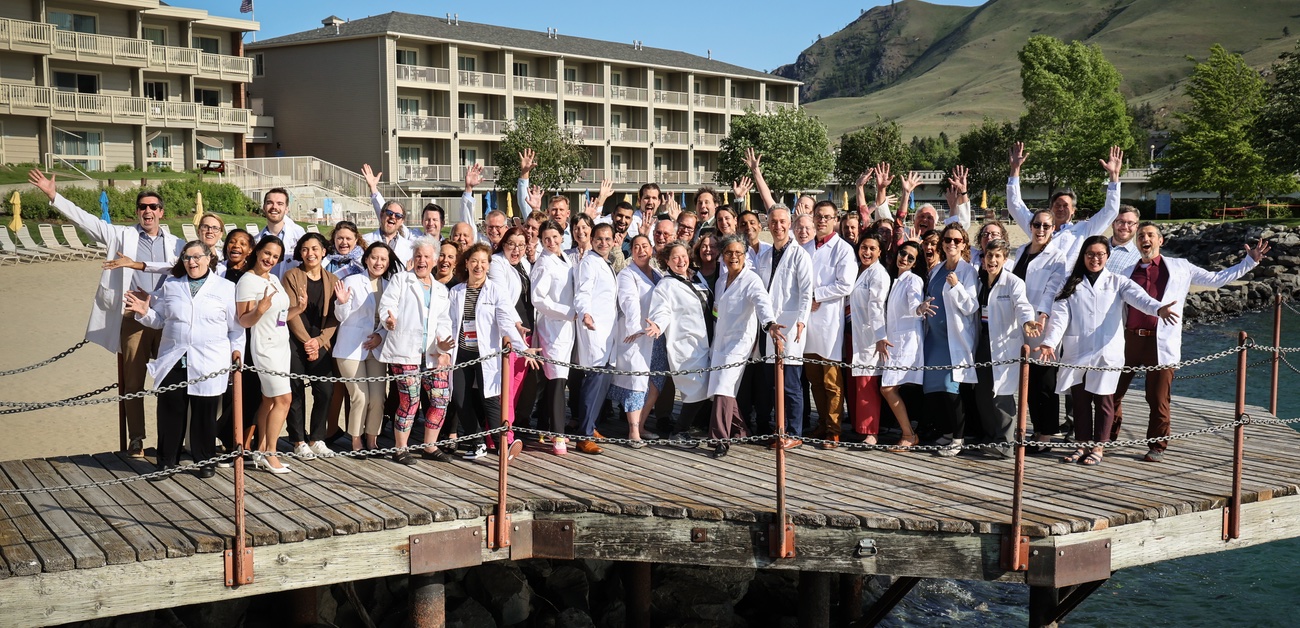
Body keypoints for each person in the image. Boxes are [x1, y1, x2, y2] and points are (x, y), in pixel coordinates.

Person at [28, 168, 184, 458]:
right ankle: (137, 438)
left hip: (167, 319)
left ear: (161, 212)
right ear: (137, 211)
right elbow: (86, 221)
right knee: (133, 382)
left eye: (152, 207)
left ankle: (170, 440)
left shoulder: (177, 244)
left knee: (171, 382)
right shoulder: (121, 235)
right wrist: (53, 196)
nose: (147, 211)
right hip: (132, 318)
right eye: (142, 207)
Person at [1110, 225, 1270, 461]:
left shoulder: (1180, 267)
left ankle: (1157, 446)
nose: (1145, 239)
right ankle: (1107, 437)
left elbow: (1216, 280)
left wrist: (1249, 262)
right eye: (1141, 236)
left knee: (1158, 398)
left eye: (1150, 235)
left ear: (1160, 241)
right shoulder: (1125, 270)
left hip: (1160, 341)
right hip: (1128, 339)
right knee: (1111, 392)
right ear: (1136, 243)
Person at [1008, 144, 1126, 448]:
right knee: (1040, 374)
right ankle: (1047, 428)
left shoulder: (1083, 231)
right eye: (1056, 205)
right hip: (1037, 313)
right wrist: (1015, 172)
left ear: (1073, 209)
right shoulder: (1038, 230)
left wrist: (1114, 179)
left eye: (1065, 205)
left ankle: (1075, 432)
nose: (1060, 209)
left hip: (1069, 305)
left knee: (1072, 369)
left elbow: (1111, 211)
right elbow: (1015, 205)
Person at [1037, 236, 1177, 467]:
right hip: (1077, 351)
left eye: (1100, 254)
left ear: (1107, 257)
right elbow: (1060, 317)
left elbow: (1140, 298)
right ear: (1083, 256)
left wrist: (1158, 308)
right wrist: (1050, 342)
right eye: (1090, 254)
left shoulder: (1118, 282)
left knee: (1104, 401)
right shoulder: (1070, 283)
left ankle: (1098, 447)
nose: (1095, 259)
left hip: (1106, 352)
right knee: (1080, 401)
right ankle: (1081, 444)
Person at [124, 241, 242, 478]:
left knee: (204, 412)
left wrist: (236, 352)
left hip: (209, 359)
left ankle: (205, 459)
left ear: (209, 258)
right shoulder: (171, 285)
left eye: (197, 257)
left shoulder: (226, 287)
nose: (192, 262)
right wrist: (144, 312)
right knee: (170, 410)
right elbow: (159, 320)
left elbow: (236, 328)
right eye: (187, 258)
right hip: (174, 356)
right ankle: (167, 461)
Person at [448, 243, 533, 460]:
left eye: (483, 262)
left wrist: (523, 349)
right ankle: (477, 442)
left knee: (490, 398)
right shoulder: (456, 292)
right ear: (466, 263)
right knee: (460, 397)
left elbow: (506, 320)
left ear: (488, 265)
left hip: (485, 353)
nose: (479, 266)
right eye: (474, 261)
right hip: (462, 353)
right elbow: (447, 321)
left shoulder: (495, 290)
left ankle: (503, 445)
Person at [376, 237, 455, 464]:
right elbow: (387, 305)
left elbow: (444, 320)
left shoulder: (440, 289)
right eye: (418, 256)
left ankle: (429, 446)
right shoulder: (401, 280)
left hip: (433, 354)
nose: (422, 260)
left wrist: (444, 346)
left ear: (435, 260)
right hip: (405, 351)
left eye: (426, 256)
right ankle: (400, 448)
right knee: (410, 401)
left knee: (441, 399)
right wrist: (389, 320)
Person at [707, 236, 783, 458]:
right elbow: (716, 313)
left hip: (740, 343)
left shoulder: (752, 280)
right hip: (720, 343)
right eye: (729, 253)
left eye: (738, 253)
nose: (734, 257)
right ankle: (740, 430)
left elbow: (762, 302)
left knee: (723, 386)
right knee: (720, 390)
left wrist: (769, 323)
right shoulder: (721, 282)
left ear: (745, 255)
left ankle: (720, 440)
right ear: (723, 256)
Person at [963, 238, 1040, 458]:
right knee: (982, 392)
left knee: (1002, 394)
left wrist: (1027, 321)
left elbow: (1023, 305)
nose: (993, 260)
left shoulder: (1014, 282)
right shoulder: (980, 280)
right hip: (984, 342)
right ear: (984, 258)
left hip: (1004, 345)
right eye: (989, 256)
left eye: (998, 256)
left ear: (1005, 259)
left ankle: (1006, 443)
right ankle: (991, 437)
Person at [236, 236, 306, 473]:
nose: (270, 259)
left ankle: (262, 448)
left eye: (275, 256)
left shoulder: (274, 278)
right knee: (283, 400)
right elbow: (244, 320)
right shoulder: (247, 281)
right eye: (267, 253)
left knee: (269, 399)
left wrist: (298, 309)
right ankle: (270, 453)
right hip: (264, 348)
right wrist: (259, 310)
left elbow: (278, 316)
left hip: (280, 344)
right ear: (256, 251)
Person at [751, 206, 813, 447]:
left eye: (783, 222)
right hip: (770, 326)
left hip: (791, 326)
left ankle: (794, 433)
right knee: (772, 383)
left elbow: (807, 293)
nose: (778, 226)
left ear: (790, 224)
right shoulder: (765, 256)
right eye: (774, 222)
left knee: (790, 384)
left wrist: (801, 321)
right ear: (768, 225)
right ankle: (780, 430)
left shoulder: (800, 255)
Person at [333, 242, 398, 456]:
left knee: (379, 397)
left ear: (388, 263)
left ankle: (372, 439)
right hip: (351, 348)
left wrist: (380, 336)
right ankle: (356, 439)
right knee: (360, 396)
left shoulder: (391, 285)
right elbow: (341, 317)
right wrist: (341, 303)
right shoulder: (352, 281)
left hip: (376, 348)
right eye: (374, 257)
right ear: (366, 258)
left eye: (383, 259)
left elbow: (393, 320)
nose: (378, 262)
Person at [645, 241, 714, 444]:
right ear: (667, 261)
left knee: (705, 388)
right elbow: (662, 309)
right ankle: (679, 430)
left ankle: (693, 428)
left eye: (683, 256)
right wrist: (658, 324)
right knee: (697, 389)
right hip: (687, 345)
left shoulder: (695, 278)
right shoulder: (666, 285)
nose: (680, 260)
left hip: (706, 342)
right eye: (675, 257)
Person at [281, 233, 340, 460]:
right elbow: (291, 314)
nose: (310, 253)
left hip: (320, 342)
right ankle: (298, 440)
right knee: (295, 389)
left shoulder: (332, 280)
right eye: (305, 249)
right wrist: (308, 341)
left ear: (324, 251)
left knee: (325, 390)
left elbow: (335, 318)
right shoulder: (291, 276)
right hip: (296, 341)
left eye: (315, 248)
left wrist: (319, 341)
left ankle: (317, 438)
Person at [803, 201, 856, 449]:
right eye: (818, 216)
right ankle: (822, 423)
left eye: (827, 217)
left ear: (835, 220)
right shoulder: (804, 247)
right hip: (807, 324)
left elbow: (845, 284)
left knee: (832, 382)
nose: (822, 221)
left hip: (829, 324)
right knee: (814, 380)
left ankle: (834, 430)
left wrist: (817, 294)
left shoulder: (843, 249)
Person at [922, 224, 978, 447]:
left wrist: (956, 287)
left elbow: (971, 306)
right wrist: (922, 306)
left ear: (963, 244)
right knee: (934, 386)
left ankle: (958, 438)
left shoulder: (968, 272)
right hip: (934, 339)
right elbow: (930, 295)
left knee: (950, 388)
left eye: (956, 240)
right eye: (947, 240)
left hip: (953, 339)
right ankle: (945, 431)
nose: (951, 244)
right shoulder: (937, 269)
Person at [572, 223, 620, 454]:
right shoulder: (589, 263)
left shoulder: (605, 263)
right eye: (599, 239)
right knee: (593, 382)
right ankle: (582, 435)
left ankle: (590, 427)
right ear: (592, 240)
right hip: (594, 330)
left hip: (607, 331)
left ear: (613, 241)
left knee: (602, 382)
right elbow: (582, 292)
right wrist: (585, 313)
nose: (603, 243)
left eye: (607, 239)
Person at [611, 235, 662, 449]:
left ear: (651, 249)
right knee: (635, 382)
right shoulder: (627, 274)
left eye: (645, 246)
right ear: (631, 251)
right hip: (636, 336)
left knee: (655, 381)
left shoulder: (658, 274)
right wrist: (635, 328)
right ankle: (633, 432)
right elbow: (629, 300)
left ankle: (641, 425)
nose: (641, 250)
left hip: (656, 336)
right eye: (636, 247)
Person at [530, 220, 577, 454]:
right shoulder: (543, 263)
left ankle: (548, 426)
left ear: (562, 236)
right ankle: (558, 435)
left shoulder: (565, 259)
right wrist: (568, 312)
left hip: (567, 328)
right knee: (557, 380)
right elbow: (538, 299)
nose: (551, 242)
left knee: (558, 380)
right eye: (546, 239)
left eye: (555, 237)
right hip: (552, 328)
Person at [879, 241, 927, 451]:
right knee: (889, 388)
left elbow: (914, 302)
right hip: (894, 341)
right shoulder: (895, 279)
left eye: (910, 257)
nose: (904, 259)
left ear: (916, 263)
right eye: (902, 253)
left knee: (888, 388)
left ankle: (909, 435)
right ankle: (908, 433)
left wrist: (919, 308)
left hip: (906, 342)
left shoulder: (913, 280)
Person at [490, 227, 537, 431]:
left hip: (527, 333)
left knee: (517, 386)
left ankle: (508, 428)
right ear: (503, 244)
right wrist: (516, 323)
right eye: (511, 244)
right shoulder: (497, 263)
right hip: (510, 333)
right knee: (506, 388)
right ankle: (500, 436)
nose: (516, 249)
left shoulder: (525, 264)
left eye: (521, 245)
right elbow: (503, 300)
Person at [847, 235, 890, 445]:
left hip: (871, 336)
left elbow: (877, 307)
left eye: (873, 248)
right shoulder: (858, 270)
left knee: (868, 384)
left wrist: (881, 336)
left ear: (880, 252)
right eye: (864, 247)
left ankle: (871, 432)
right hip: (857, 333)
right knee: (859, 383)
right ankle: (859, 427)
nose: (867, 252)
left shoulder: (878, 274)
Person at [361, 164, 415, 263]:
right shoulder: (364, 241)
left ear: (402, 221)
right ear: (381, 215)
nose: (393, 217)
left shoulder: (409, 247)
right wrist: (373, 187)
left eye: (398, 216)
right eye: (389, 213)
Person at [254, 188, 305, 277]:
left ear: (286, 209)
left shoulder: (299, 234)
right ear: (264, 207)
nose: (274, 207)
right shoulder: (256, 240)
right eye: (270, 203)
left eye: (280, 204)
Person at [1105, 206, 1142, 276]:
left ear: (1137, 226)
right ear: (1113, 224)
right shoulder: (1096, 247)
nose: (1125, 227)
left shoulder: (1139, 258)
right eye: (1121, 221)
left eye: (1130, 223)